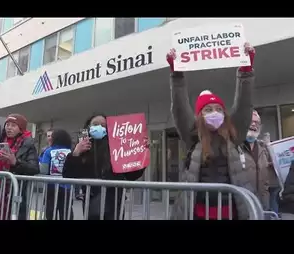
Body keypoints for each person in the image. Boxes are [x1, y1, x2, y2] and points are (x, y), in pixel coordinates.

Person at [168, 43, 257, 220]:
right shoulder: (194, 136)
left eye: (218, 109)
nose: (214, 113)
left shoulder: (234, 134)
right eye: (208, 110)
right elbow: (179, 108)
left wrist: (246, 69)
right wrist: (176, 73)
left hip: (233, 213)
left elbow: (244, 104)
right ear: (199, 116)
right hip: (199, 213)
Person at [62, 114, 146, 220]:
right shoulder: (82, 148)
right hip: (91, 202)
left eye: (103, 125)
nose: (99, 128)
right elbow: (68, 175)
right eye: (95, 124)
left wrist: (139, 154)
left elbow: (131, 176)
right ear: (88, 127)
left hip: (114, 203)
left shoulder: (117, 148)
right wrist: (76, 153)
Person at [0, 89, 40, 220]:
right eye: (7, 125)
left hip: (11, 193)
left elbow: (34, 168)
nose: (9, 128)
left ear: (21, 129)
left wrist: (15, 162)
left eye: (13, 125)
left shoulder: (28, 144)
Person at [242, 110, 276, 212]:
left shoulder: (265, 149)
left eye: (257, 123)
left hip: (263, 206)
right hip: (242, 206)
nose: (253, 124)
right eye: (250, 121)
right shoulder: (234, 147)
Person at [40, 129, 74, 220]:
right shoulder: (72, 151)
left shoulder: (48, 151)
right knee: (66, 212)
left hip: (51, 186)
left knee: (51, 212)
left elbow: (44, 170)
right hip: (67, 186)